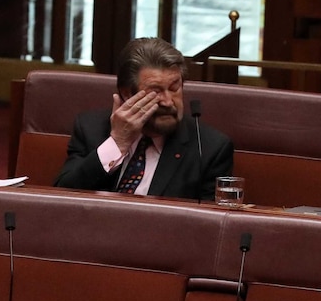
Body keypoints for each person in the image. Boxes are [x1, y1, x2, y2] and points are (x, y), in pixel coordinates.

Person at [55, 37, 233, 200]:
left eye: (174, 88)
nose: (168, 101)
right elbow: (62, 197)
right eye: (155, 91)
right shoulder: (90, 128)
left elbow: (210, 226)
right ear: (126, 94)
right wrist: (117, 143)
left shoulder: (209, 149)